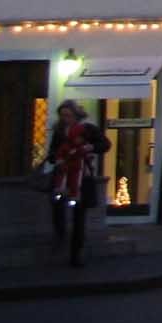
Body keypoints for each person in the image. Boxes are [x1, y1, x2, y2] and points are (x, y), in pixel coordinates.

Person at [42, 99, 110, 267]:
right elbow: (52, 152)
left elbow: (105, 144)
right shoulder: (59, 131)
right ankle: (61, 235)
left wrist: (90, 148)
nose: (65, 119)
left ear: (76, 115)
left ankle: (75, 254)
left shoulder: (87, 130)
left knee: (79, 217)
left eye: (68, 115)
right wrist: (55, 158)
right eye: (62, 116)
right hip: (62, 176)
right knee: (57, 207)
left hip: (80, 177)